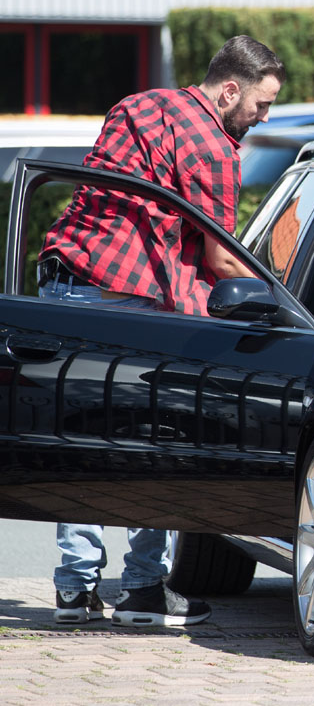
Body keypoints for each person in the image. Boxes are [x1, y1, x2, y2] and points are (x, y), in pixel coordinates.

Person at [39, 35, 285, 626]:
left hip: (64, 286)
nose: (263, 117)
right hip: (132, 302)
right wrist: (281, 299)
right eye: (261, 104)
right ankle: (144, 588)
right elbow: (221, 258)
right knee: (154, 439)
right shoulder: (214, 147)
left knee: (79, 440)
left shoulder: (137, 105)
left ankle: (74, 590)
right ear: (230, 91)